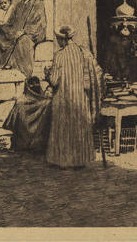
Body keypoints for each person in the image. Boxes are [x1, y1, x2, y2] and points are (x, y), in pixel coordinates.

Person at [46, 25, 103, 169]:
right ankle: (80, 160)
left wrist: (47, 74)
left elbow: (54, 81)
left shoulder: (59, 55)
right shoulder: (83, 52)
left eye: (58, 39)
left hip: (63, 97)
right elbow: (96, 73)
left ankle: (64, 162)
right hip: (80, 97)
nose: (58, 42)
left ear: (62, 39)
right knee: (79, 127)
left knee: (64, 128)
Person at [3, 76, 52, 152]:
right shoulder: (45, 102)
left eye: (36, 83)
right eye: (32, 84)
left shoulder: (45, 102)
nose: (35, 86)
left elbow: (11, 123)